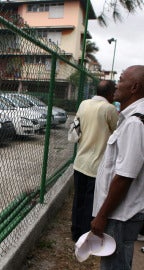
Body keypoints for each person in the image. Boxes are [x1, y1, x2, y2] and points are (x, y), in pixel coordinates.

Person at [91, 65, 144, 269]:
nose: (116, 84)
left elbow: (124, 177)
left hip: (119, 215)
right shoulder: (132, 118)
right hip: (120, 213)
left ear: (134, 87)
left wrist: (102, 216)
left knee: (115, 266)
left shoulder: (134, 123)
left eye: (121, 79)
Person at [71, 80, 118, 242]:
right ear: (110, 93)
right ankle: (85, 236)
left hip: (80, 161)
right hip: (96, 166)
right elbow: (118, 131)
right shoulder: (109, 109)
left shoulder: (83, 104)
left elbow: (77, 127)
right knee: (90, 204)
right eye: (114, 91)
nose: (116, 95)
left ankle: (75, 232)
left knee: (78, 199)